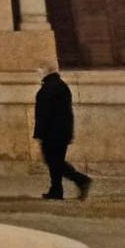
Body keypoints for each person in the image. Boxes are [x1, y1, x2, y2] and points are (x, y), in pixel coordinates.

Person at [33, 68, 92, 201]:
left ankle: (81, 180)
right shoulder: (61, 86)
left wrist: (39, 133)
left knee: (54, 162)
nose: (38, 73)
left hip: (52, 133)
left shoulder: (49, 88)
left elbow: (44, 114)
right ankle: (56, 190)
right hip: (61, 132)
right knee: (55, 162)